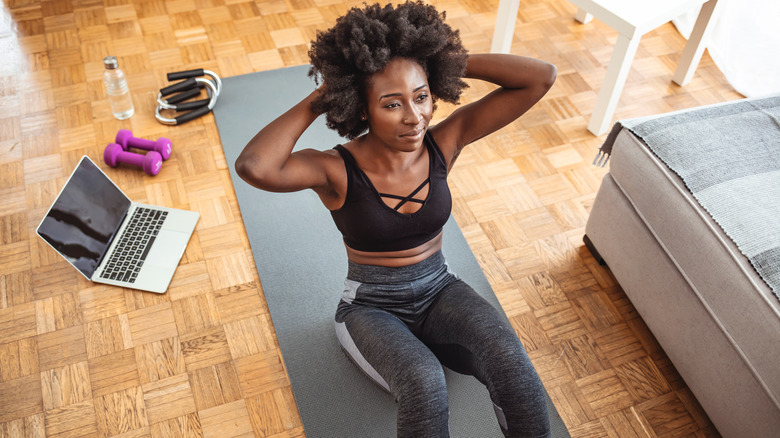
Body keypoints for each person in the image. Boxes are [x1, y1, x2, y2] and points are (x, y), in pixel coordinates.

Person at [235, 2, 556, 436]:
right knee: (426, 383)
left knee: (509, 357)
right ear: (361, 108)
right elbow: (255, 165)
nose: (414, 117)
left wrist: (443, 59)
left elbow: (540, 77)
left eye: (421, 96)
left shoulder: (444, 143)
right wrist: (322, 96)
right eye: (392, 104)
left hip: (440, 291)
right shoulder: (335, 169)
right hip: (370, 308)